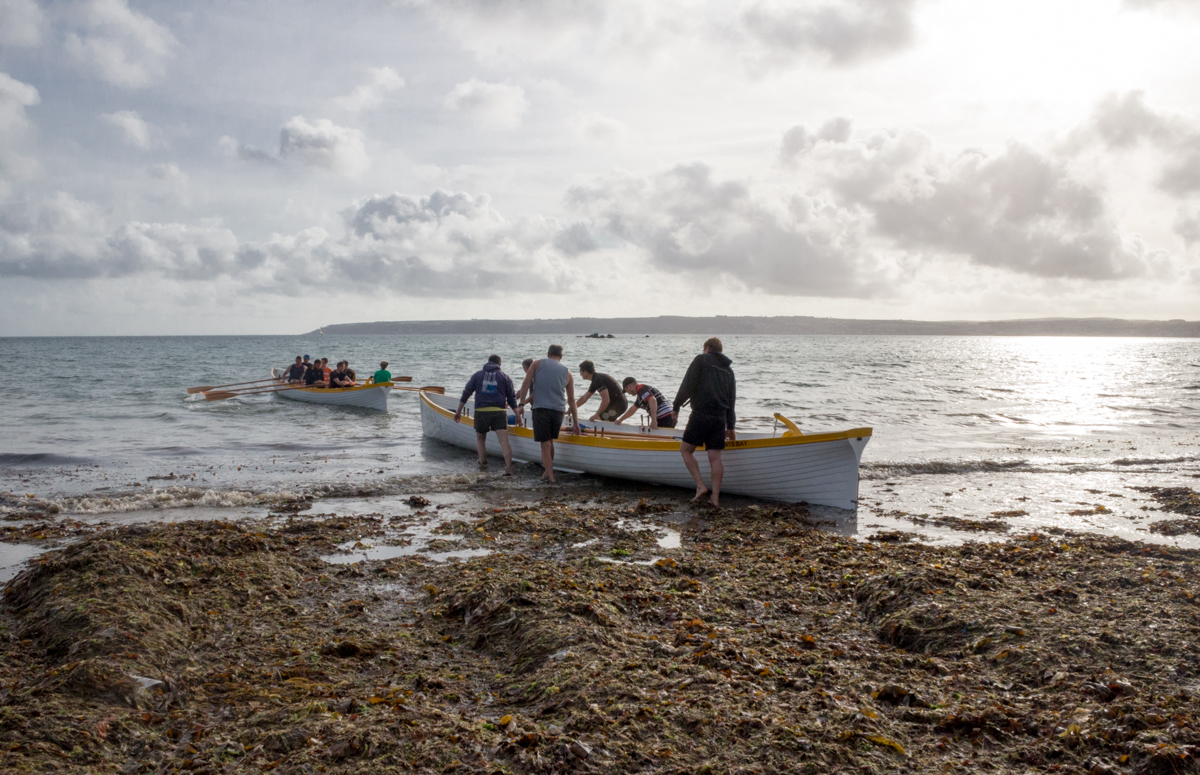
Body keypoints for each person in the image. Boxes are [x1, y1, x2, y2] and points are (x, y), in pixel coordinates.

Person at [674, 337, 736, 507]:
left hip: (701, 414)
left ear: (707, 348)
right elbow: (732, 401)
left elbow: (687, 384)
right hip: (720, 418)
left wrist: (676, 406)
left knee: (686, 449)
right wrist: (731, 426)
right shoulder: (729, 371)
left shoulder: (701, 360)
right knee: (715, 458)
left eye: (704, 349)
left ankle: (701, 485)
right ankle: (715, 498)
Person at [516, 344, 580, 483]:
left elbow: (526, 383)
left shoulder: (537, 364)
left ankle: (551, 477)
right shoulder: (568, 372)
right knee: (550, 441)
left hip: (541, 409)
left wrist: (521, 404)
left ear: (548, 354)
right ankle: (547, 471)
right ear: (561, 357)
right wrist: (575, 423)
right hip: (559, 411)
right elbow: (571, 400)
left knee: (545, 444)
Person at [454, 355, 521, 475]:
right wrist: (518, 416)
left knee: (481, 439)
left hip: (481, 412)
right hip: (499, 412)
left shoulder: (477, 375)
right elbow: (511, 398)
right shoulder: (505, 377)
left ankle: (483, 465)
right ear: (499, 365)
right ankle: (509, 467)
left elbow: (466, 393)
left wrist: (458, 411)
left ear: (488, 362)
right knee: (504, 441)